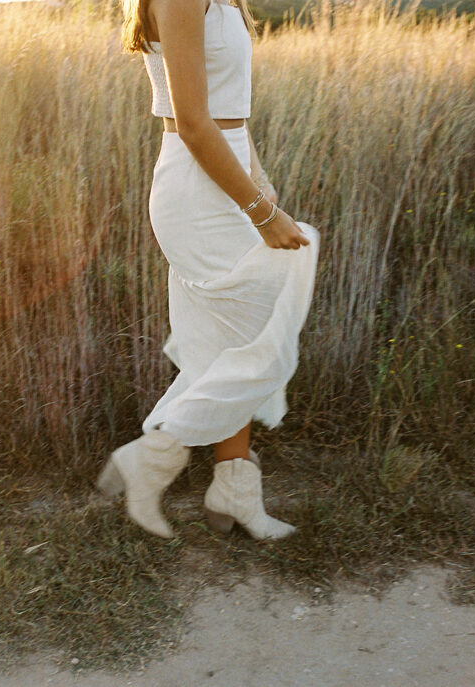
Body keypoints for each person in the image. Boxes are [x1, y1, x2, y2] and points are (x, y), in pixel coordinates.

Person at [97, 0, 320, 540]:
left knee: (228, 343)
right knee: (259, 334)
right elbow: (194, 123)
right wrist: (263, 215)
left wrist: (259, 181)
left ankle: (233, 492)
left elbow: (232, 114)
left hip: (229, 173)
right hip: (197, 190)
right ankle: (154, 456)